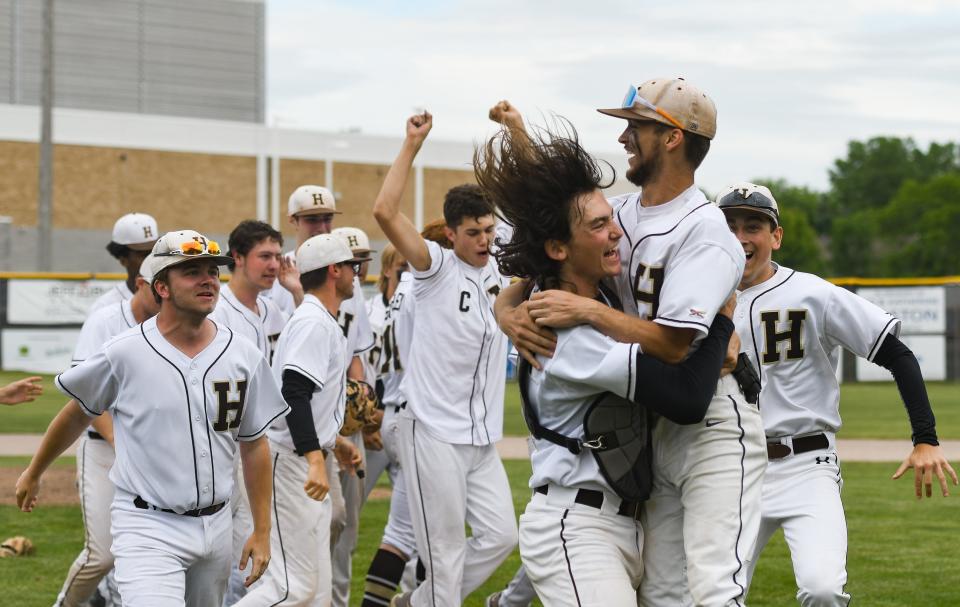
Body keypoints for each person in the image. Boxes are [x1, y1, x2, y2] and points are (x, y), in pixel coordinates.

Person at [493, 80, 766, 607]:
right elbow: (549, 232)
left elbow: (673, 350)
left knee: (712, 589)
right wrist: (505, 310)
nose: (623, 136)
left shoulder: (705, 229)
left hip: (705, 413)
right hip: (644, 432)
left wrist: (590, 309)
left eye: (636, 126)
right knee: (666, 595)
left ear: (670, 138)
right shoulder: (618, 213)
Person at [16, 229, 289, 606]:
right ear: (162, 286)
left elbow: (255, 444)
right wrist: (34, 471)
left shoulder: (242, 354)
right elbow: (77, 413)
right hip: (148, 525)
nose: (208, 279)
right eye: (192, 271)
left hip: (217, 526)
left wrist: (262, 529)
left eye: (212, 270)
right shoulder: (124, 352)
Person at [717, 182, 959, 606]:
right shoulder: (695, 300)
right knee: (710, 595)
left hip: (806, 465)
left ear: (776, 236)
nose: (740, 237)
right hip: (730, 467)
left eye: (752, 225)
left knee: (822, 589)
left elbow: (900, 356)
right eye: (730, 225)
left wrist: (925, 438)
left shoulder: (812, 293)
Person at [374, 112, 517, 607]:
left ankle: (419, 601)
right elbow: (386, 213)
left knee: (502, 535)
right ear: (452, 234)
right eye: (474, 232)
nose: (484, 240)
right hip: (431, 430)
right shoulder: (434, 270)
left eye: (489, 230)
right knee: (446, 552)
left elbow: (536, 202)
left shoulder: (500, 265)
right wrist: (411, 144)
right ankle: (433, 598)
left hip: (479, 436)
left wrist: (515, 130)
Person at [233, 234, 364, 607]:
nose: (357, 274)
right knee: (293, 589)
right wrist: (314, 458)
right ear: (334, 271)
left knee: (317, 594)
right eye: (351, 266)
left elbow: (303, 397)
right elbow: (294, 392)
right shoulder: (313, 322)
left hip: (300, 458)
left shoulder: (318, 319)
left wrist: (332, 443)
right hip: (289, 462)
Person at [51, 255, 161, 607]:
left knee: (147, 551)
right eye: (158, 290)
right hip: (102, 447)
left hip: (152, 454)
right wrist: (117, 439)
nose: (164, 298)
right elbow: (85, 396)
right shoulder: (107, 320)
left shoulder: (174, 326)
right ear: (141, 285)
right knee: (101, 555)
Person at [212, 220, 295, 605]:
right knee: (224, 557)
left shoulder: (271, 310)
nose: (274, 264)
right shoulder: (218, 313)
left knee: (246, 556)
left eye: (278, 255)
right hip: (220, 448)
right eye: (264, 256)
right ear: (238, 259)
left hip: (254, 446)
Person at [90, 212, 159, 313]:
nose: (151, 259)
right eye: (143, 255)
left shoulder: (173, 299)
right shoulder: (104, 308)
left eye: (155, 251)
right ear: (123, 260)